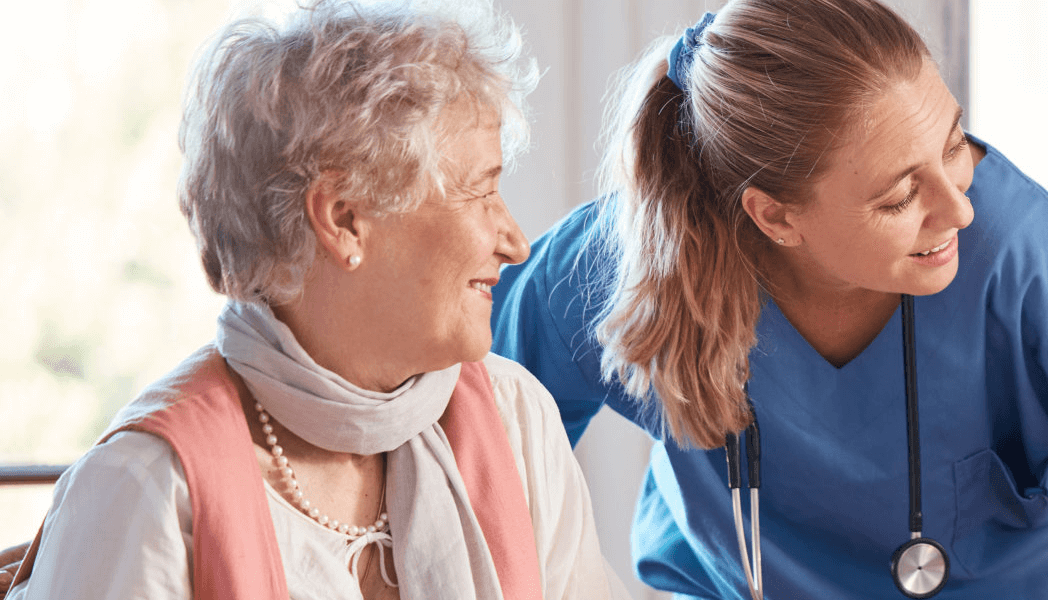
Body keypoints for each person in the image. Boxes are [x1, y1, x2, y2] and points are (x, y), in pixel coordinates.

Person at [491, 0, 1048, 598]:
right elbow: (469, 432)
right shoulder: (617, 266)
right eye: (898, 196)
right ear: (775, 215)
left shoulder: (1030, 263)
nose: (958, 207)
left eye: (954, 143)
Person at [4, 2, 627, 598]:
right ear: (344, 219)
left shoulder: (517, 418)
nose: (515, 241)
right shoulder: (150, 489)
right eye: (481, 192)